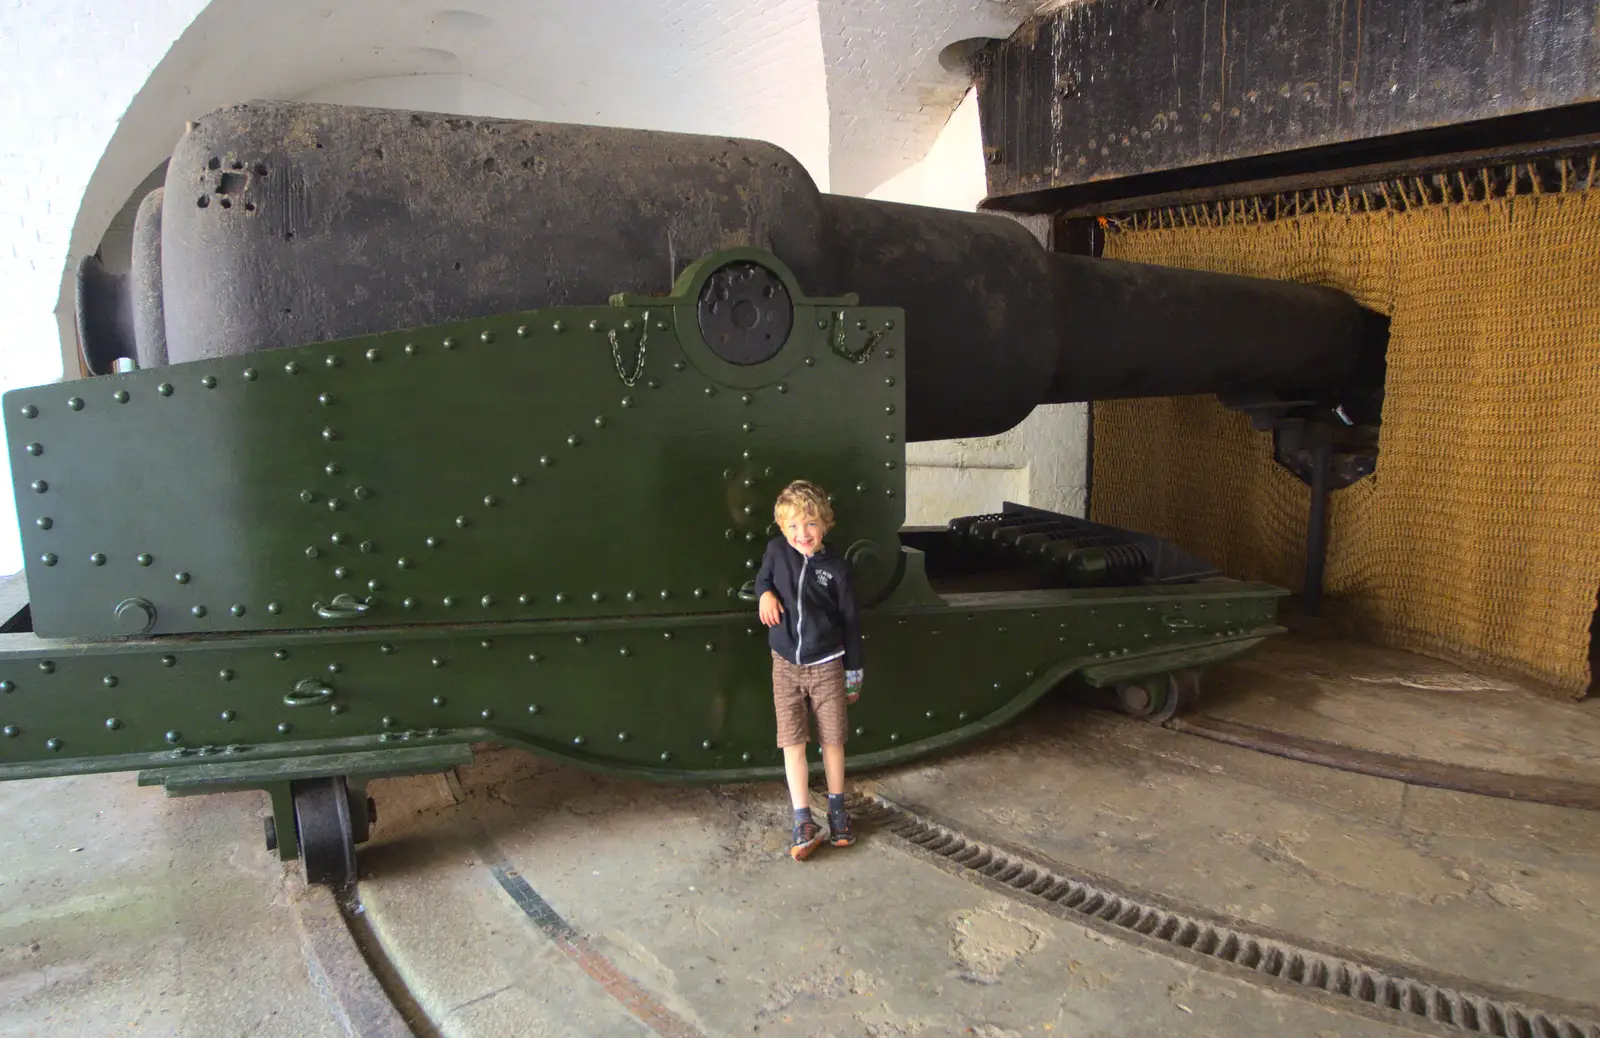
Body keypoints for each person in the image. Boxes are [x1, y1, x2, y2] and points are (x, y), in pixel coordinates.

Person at [754, 479, 864, 861]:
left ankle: (837, 809)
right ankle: (803, 818)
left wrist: (854, 671)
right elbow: (762, 579)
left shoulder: (837, 569)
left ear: (826, 525)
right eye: (794, 526)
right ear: (783, 529)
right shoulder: (775, 552)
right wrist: (764, 594)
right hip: (785, 664)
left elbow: (851, 622)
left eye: (811, 523)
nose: (803, 533)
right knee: (792, 741)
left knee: (833, 740)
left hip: (827, 664)